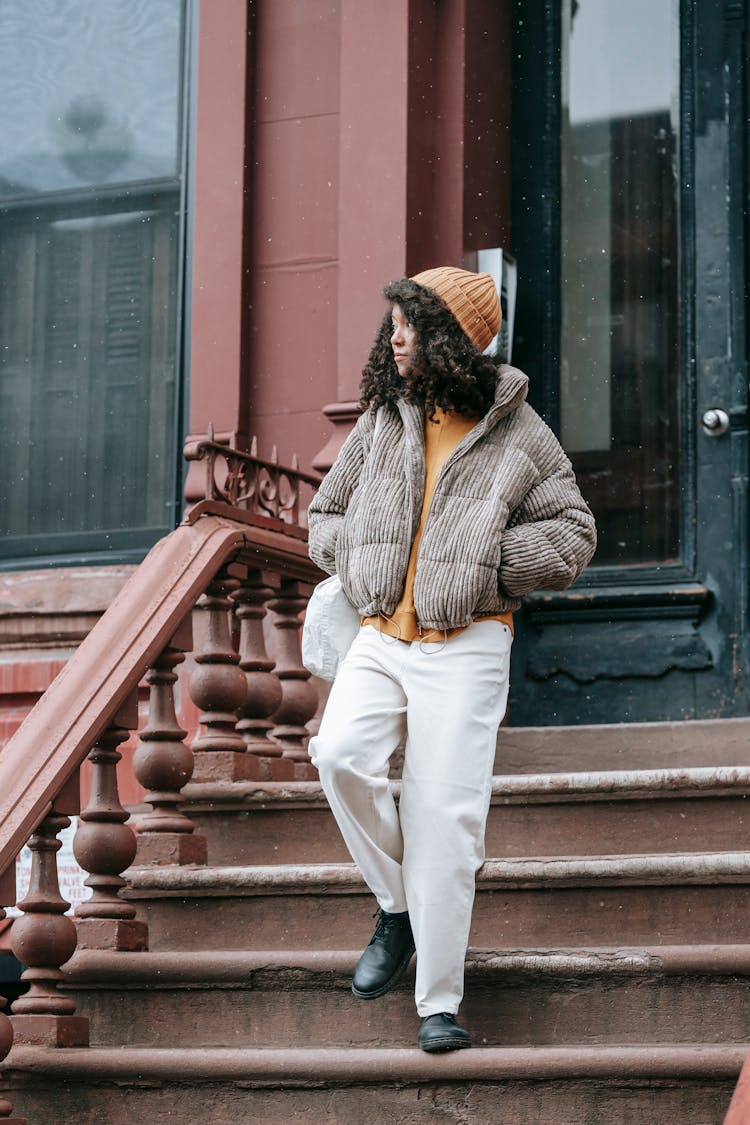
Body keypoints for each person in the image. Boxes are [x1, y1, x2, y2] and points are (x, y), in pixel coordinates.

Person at [307, 266, 596, 1052]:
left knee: (446, 819)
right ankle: (396, 907)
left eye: (408, 324)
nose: (393, 337)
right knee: (338, 755)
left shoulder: (520, 432)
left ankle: (437, 1002)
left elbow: (573, 532)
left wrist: (485, 565)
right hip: (381, 634)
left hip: (468, 642)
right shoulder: (383, 419)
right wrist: (363, 556)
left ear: (451, 338)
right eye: (392, 323)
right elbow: (323, 514)